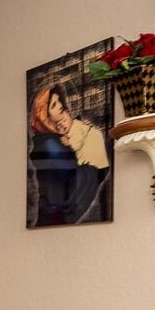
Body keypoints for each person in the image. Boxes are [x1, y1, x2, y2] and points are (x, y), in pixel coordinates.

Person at [29, 82, 106, 225]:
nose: (60, 106)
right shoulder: (49, 142)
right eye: (53, 105)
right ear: (44, 115)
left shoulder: (54, 138)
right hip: (58, 212)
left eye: (59, 101)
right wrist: (90, 170)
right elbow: (68, 176)